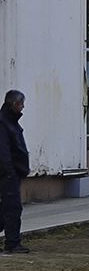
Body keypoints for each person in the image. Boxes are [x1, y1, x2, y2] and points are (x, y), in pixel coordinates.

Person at [0, 90, 30, 254]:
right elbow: (3, 152)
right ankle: (12, 243)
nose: (23, 107)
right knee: (12, 208)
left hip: (13, 172)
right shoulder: (4, 123)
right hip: (8, 173)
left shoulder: (10, 122)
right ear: (14, 104)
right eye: (21, 104)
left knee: (6, 208)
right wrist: (9, 171)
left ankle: (12, 242)